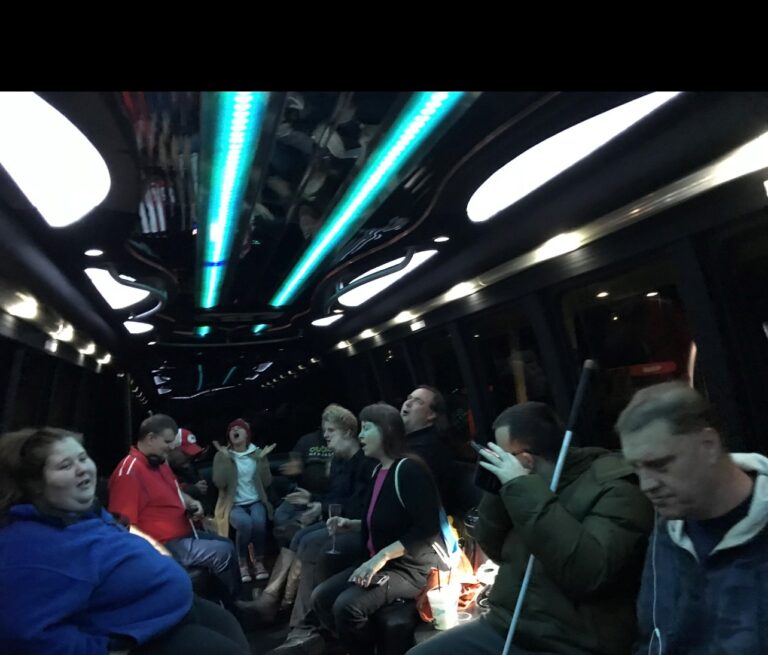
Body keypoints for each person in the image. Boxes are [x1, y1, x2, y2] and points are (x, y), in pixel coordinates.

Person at [407, 401, 654, 655]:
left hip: (570, 641)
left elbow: (588, 573)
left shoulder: (616, 489)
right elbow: (494, 548)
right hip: (508, 625)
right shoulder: (523, 487)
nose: (498, 462)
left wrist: (520, 488)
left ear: (526, 459)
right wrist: (500, 491)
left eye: (503, 456)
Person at [0, 427, 250, 655]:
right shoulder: (28, 550)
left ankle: (236, 606)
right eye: (65, 465)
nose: (82, 469)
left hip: (170, 609)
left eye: (83, 458)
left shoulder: (82, 513)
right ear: (37, 485)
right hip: (147, 636)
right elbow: (24, 633)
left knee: (227, 624)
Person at [616, 381, 768, 654]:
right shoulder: (667, 533)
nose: (646, 485)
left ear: (708, 445)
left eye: (659, 465)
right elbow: (653, 637)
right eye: (637, 469)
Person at [311, 403, 444, 655]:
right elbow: (387, 522)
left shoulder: (409, 470)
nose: (360, 436)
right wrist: (351, 524)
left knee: (346, 606)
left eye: (366, 428)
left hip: (410, 569)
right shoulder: (378, 470)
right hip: (380, 562)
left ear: (386, 431)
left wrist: (380, 557)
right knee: (321, 597)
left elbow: (427, 529)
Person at [255, 403, 374, 636]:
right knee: (298, 535)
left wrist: (322, 507)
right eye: (324, 430)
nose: (325, 436)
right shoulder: (339, 460)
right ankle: (275, 602)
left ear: (348, 432)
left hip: (353, 524)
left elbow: (358, 507)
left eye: (330, 431)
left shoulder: (364, 462)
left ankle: (300, 622)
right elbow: (334, 497)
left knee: (308, 542)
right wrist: (314, 499)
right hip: (337, 518)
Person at [108, 414, 241, 602]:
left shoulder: (160, 463)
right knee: (223, 553)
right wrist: (159, 551)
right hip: (164, 543)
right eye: (168, 442)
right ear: (151, 438)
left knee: (226, 544)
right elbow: (124, 528)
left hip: (183, 533)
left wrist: (190, 502)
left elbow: (176, 493)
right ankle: (232, 608)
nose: (172, 447)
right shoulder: (129, 473)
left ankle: (229, 604)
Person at [212, 418, 275, 582]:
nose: (236, 431)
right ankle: (242, 564)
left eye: (240, 428)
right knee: (245, 523)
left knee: (259, 522)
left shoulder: (257, 454)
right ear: (229, 435)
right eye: (233, 429)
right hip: (233, 504)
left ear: (247, 434)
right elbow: (219, 483)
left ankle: (258, 562)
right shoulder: (222, 455)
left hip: (255, 501)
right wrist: (225, 460)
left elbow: (267, 482)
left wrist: (261, 461)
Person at [273, 424, 335, 545]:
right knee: (280, 515)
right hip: (303, 492)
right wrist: (295, 468)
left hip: (326, 496)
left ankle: (298, 537)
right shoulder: (307, 440)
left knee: (305, 521)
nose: (327, 433)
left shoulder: (339, 443)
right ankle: (290, 545)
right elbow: (295, 462)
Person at [400, 386, 451, 507]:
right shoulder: (407, 442)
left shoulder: (429, 448)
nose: (408, 403)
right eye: (409, 398)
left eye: (418, 401)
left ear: (431, 414)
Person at [167, 428, 212, 516]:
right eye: (185, 454)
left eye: (191, 456)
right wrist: (191, 489)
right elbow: (167, 493)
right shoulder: (159, 468)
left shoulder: (188, 467)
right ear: (173, 448)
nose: (188, 459)